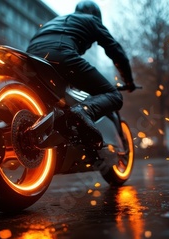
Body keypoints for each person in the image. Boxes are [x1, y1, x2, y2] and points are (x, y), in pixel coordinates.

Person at [26, 1, 136, 149]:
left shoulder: (54, 22)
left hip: (31, 58)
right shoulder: (91, 20)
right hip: (61, 55)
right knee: (114, 95)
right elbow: (116, 52)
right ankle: (84, 112)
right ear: (96, 15)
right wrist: (129, 81)